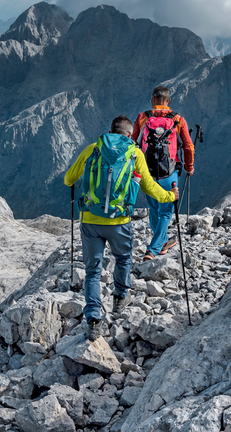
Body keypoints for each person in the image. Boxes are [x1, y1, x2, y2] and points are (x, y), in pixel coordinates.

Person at [64, 115, 177, 340]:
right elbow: (149, 187)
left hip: (91, 221)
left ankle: (94, 319)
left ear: (110, 131)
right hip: (119, 222)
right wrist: (169, 196)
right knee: (123, 259)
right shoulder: (134, 153)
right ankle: (119, 298)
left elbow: (68, 179)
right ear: (128, 135)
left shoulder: (92, 149)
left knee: (93, 271)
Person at [131, 86, 194, 262]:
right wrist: (189, 167)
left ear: (152, 99)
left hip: (147, 172)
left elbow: (132, 143)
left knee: (154, 209)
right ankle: (153, 250)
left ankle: (163, 242)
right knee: (166, 212)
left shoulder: (142, 118)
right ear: (169, 101)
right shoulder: (178, 119)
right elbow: (188, 145)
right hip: (170, 172)